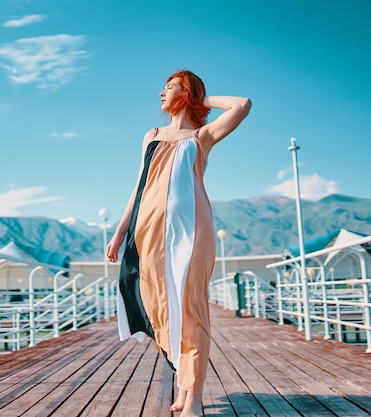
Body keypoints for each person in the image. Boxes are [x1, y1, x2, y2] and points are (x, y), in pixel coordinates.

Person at [105, 69, 251, 417]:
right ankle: (185, 383)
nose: (160, 93)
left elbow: (242, 105)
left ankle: (194, 398)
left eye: (169, 87)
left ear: (186, 93)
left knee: (192, 310)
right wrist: (120, 229)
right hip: (148, 232)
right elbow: (139, 184)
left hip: (192, 231)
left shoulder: (203, 135)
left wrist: (204, 101)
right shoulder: (151, 135)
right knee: (158, 309)